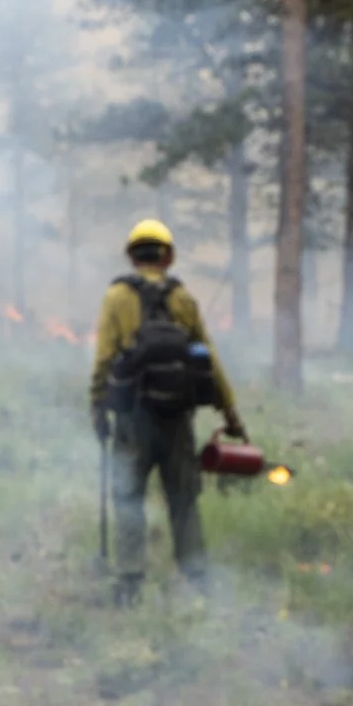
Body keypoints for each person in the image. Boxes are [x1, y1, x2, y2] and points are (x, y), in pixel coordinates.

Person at [89, 219, 248, 601]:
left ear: (132, 257)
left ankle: (130, 583)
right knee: (183, 498)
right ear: (168, 257)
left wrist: (97, 407)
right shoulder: (183, 300)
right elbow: (208, 358)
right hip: (177, 418)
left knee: (128, 496)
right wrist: (230, 414)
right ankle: (198, 580)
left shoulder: (116, 297)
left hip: (132, 419)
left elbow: (104, 359)